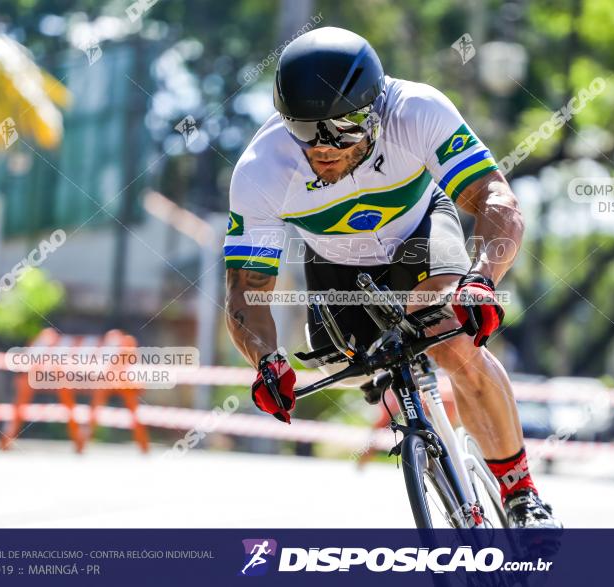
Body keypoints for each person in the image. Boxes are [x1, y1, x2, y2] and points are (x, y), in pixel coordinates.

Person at [224, 26, 560, 529]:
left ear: (375, 107)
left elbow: (497, 200)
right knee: (358, 365)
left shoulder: (417, 110)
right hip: (336, 262)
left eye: (342, 128)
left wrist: (483, 280)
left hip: (420, 230)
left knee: (450, 338)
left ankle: (520, 493)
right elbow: (247, 290)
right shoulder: (261, 170)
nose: (322, 147)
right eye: (304, 129)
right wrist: (265, 359)